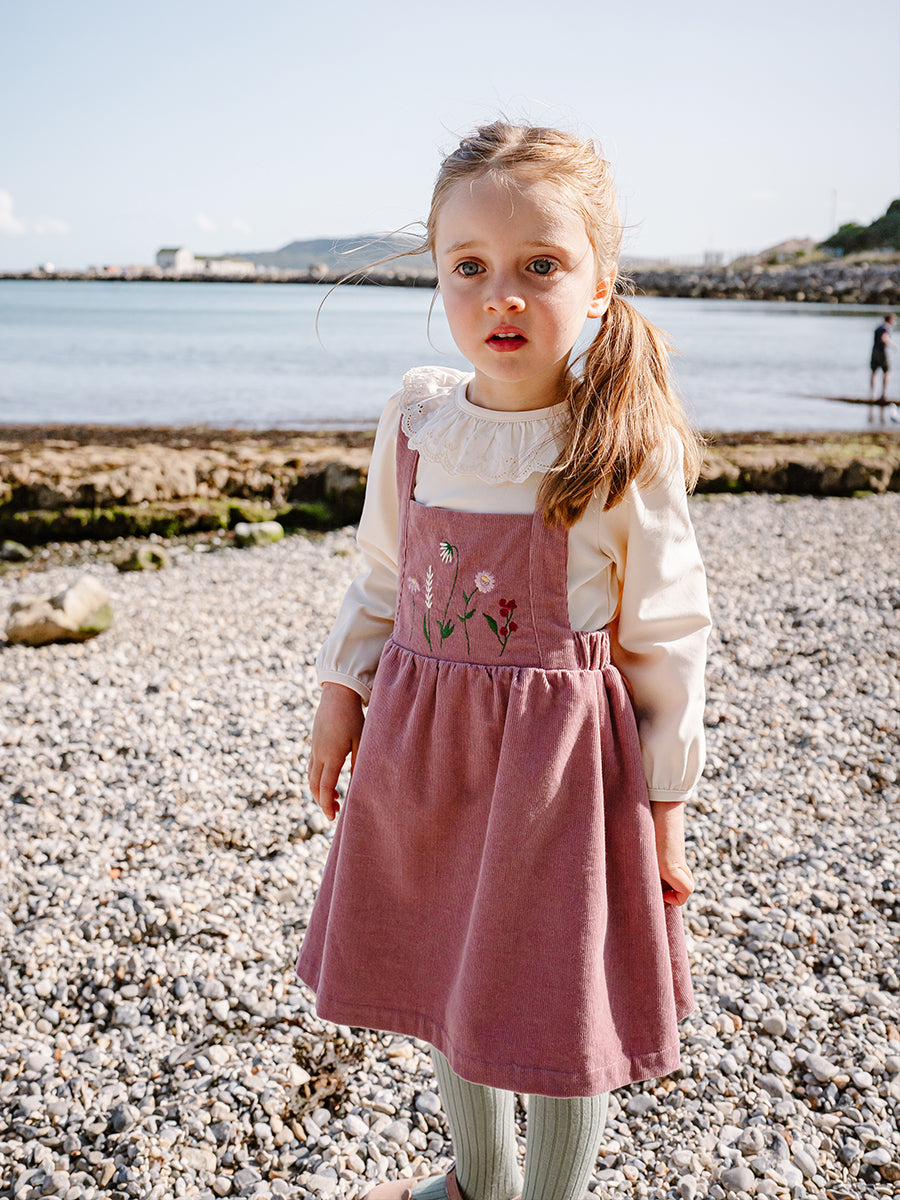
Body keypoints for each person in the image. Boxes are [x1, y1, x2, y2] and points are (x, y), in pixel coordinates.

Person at [297, 121, 711, 1200]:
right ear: (438, 275)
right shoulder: (418, 422)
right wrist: (342, 692)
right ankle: (481, 1178)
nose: (503, 297)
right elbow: (381, 573)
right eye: (470, 268)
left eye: (541, 266)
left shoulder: (616, 446)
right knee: (452, 963)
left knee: (557, 994)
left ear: (601, 283)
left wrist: (664, 805)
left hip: (561, 773)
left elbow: (668, 637)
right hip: (424, 749)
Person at [870, 313, 897, 401]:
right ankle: (883, 394)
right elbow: (884, 338)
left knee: (874, 372)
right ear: (890, 320)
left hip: (874, 352)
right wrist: (893, 345)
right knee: (886, 372)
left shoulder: (878, 327)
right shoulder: (887, 327)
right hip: (882, 352)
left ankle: (872, 394)